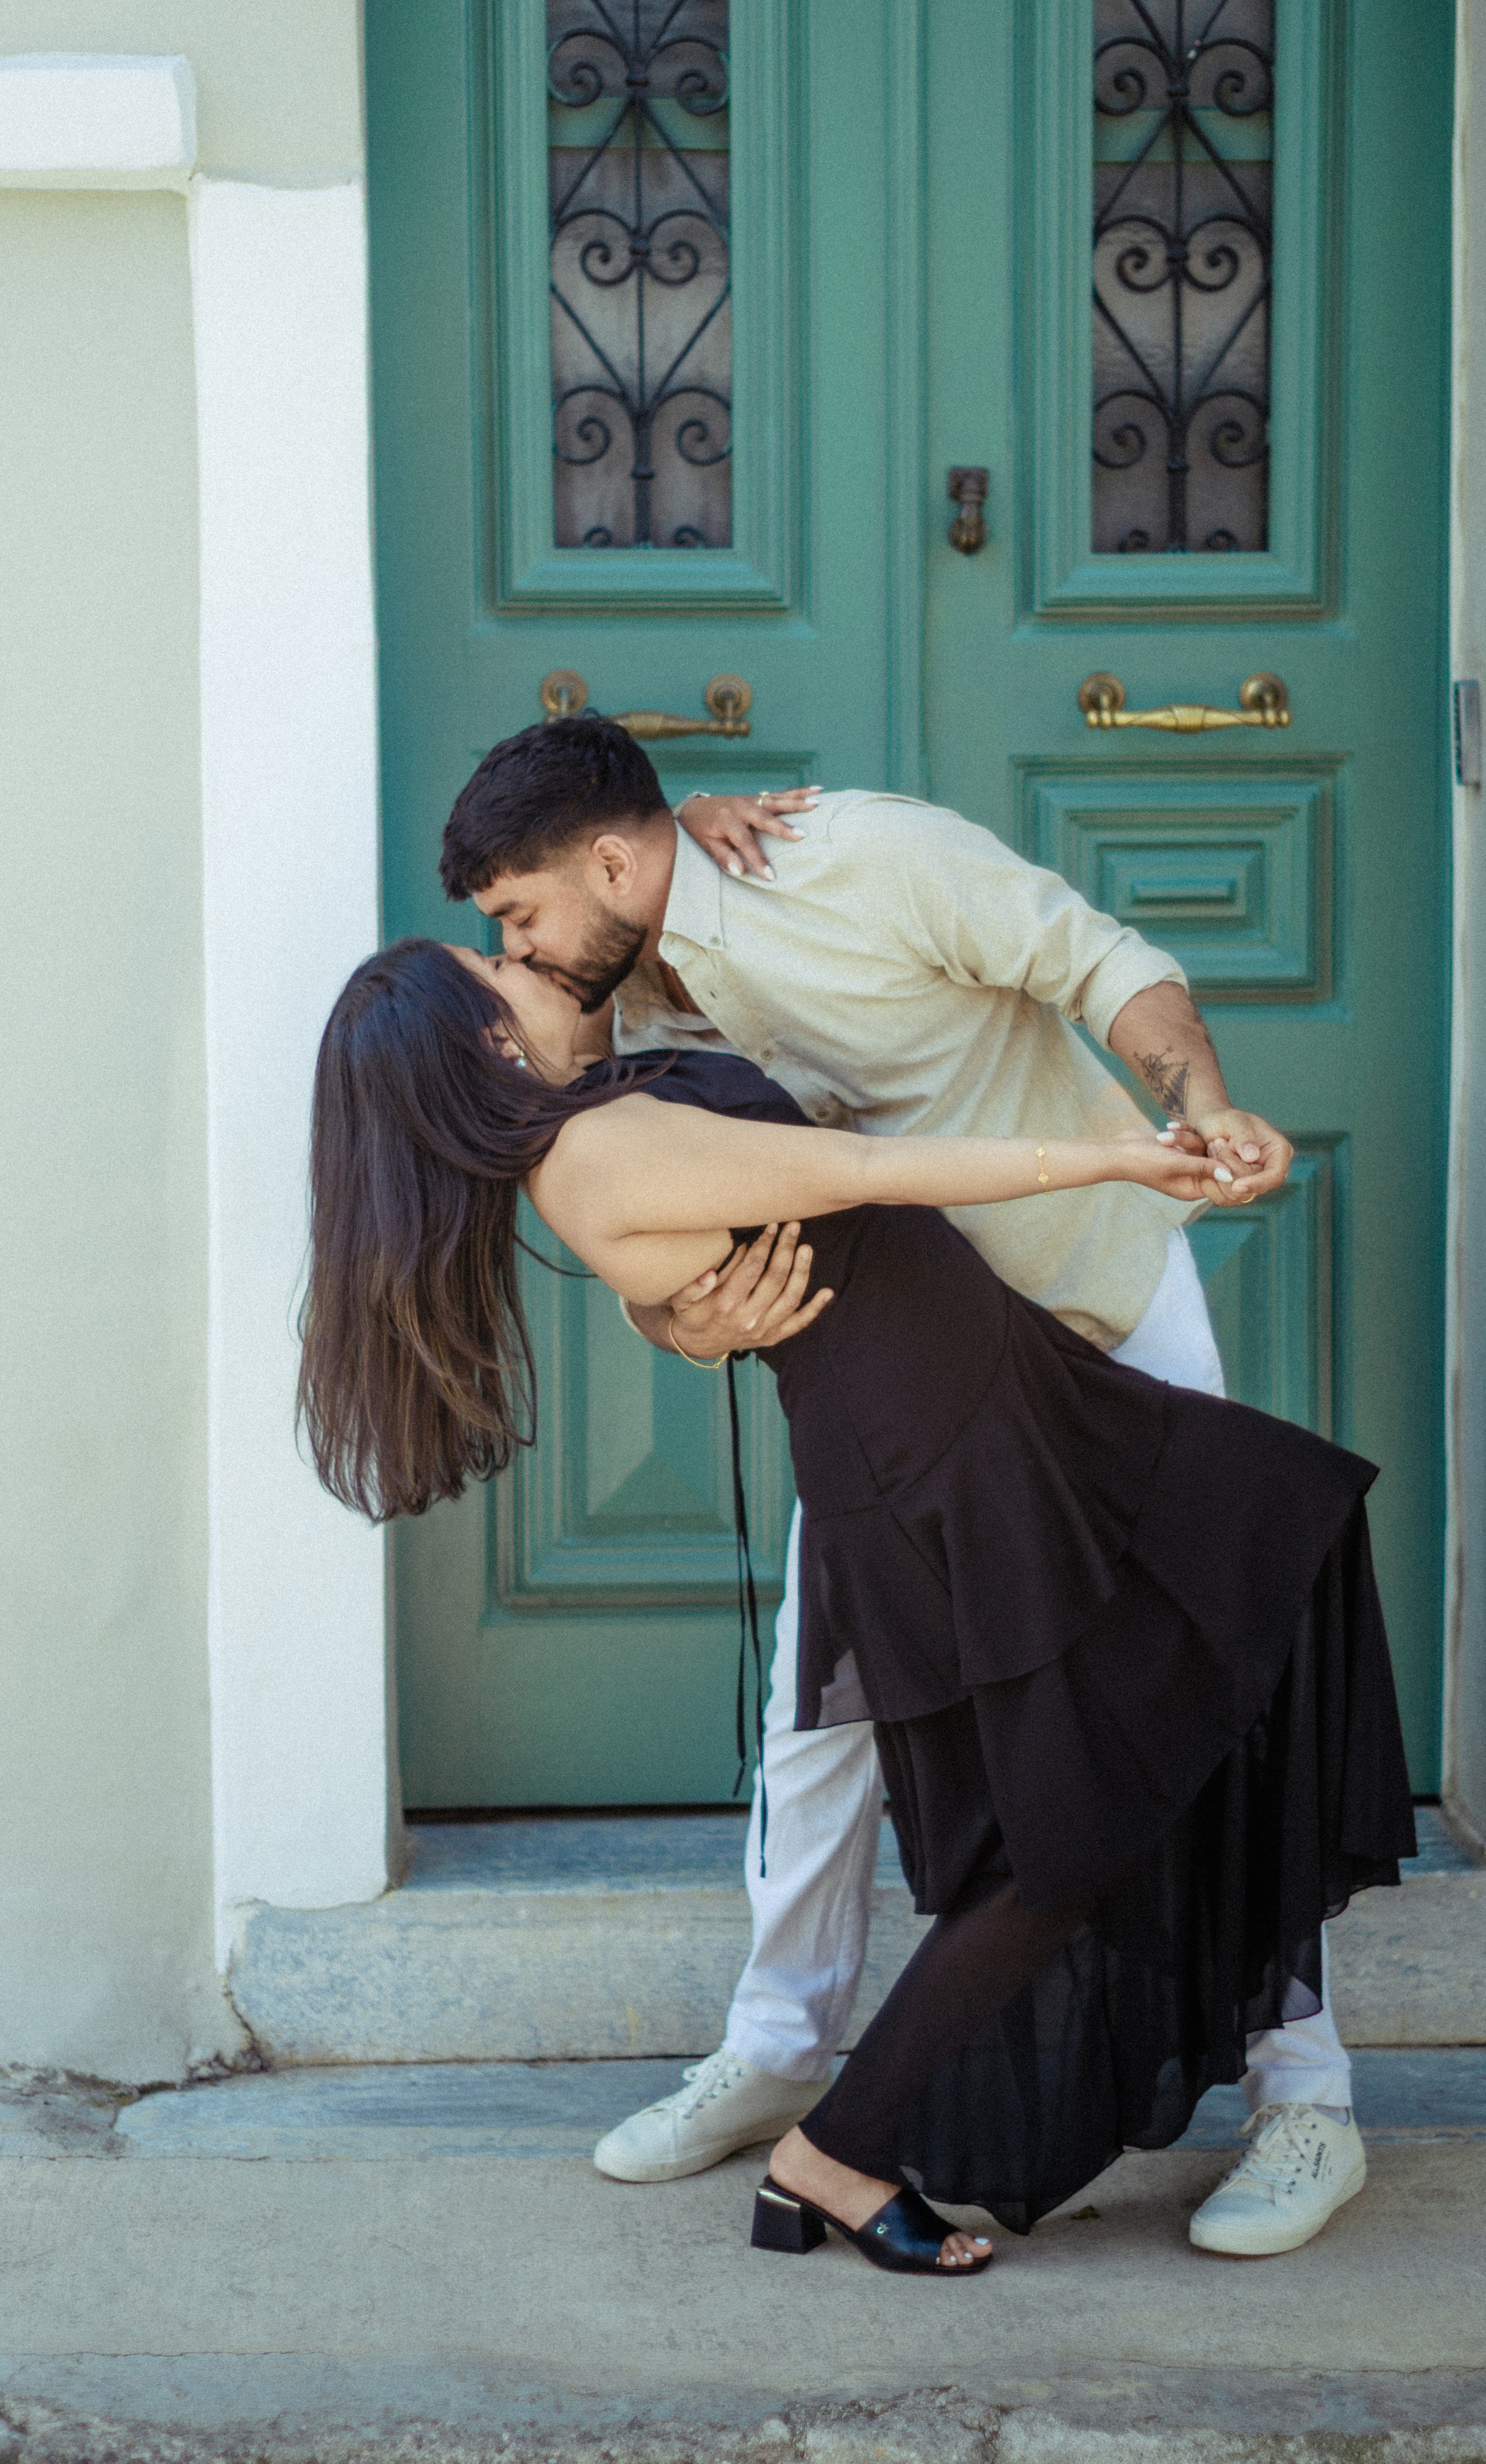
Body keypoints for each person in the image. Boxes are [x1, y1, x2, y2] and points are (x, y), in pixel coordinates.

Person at [299, 937, 1416, 2274]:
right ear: (486, 1042)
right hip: (948, 1456)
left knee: (1245, 1591)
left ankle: (862, 2141)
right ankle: (836, 2150)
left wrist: (677, 1315)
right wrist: (1119, 1156)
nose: (519, 951)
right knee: (1076, 1827)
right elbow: (873, 1170)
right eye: (492, 962)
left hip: (992, 1416)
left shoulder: (597, 1121)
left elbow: (724, 1245)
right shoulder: (601, 1153)